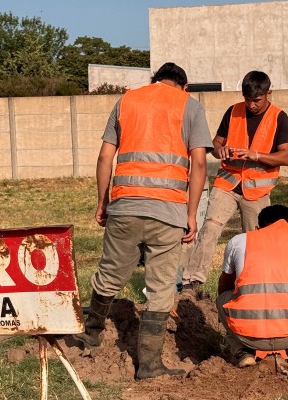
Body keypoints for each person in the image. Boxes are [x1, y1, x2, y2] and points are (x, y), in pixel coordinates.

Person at [73, 62, 213, 379]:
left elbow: (105, 156)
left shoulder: (127, 101)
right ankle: (149, 364)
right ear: (184, 86)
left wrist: (102, 201)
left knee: (109, 273)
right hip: (169, 213)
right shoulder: (191, 106)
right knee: (161, 286)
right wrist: (191, 215)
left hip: (124, 207)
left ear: (154, 81)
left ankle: (91, 334)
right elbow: (200, 164)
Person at [180, 71, 288, 299]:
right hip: (227, 183)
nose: (251, 105)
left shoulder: (279, 117)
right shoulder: (233, 111)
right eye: (247, 99)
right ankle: (191, 283)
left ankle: (254, 285)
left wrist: (256, 155)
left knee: (255, 239)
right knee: (210, 228)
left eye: (257, 100)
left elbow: (286, 157)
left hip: (257, 190)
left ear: (268, 93)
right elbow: (215, 143)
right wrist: (217, 149)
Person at [216, 204, 288, 368]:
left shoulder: (238, 241)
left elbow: (225, 284)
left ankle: (242, 351)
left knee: (222, 297)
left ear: (258, 228)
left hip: (247, 336)